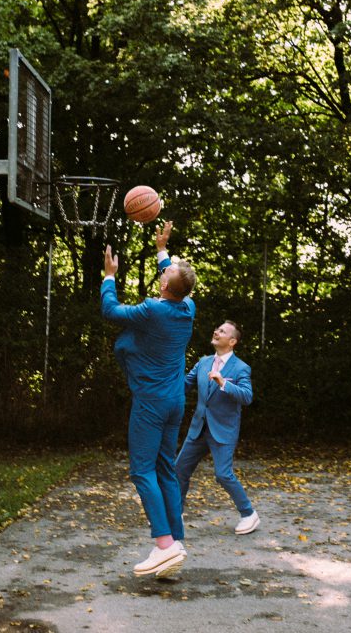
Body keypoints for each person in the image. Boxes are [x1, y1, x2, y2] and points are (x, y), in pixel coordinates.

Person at [101, 221, 197, 578]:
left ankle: (164, 544)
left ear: (164, 286)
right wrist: (162, 251)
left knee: (142, 471)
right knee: (165, 471)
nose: (166, 269)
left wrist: (109, 276)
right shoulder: (188, 309)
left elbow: (111, 312)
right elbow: (174, 280)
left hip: (152, 403)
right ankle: (176, 547)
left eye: (167, 270)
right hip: (174, 401)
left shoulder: (154, 310)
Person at [175, 320, 260, 535]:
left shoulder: (241, 368)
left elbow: (247, 396)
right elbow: (184, 385)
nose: (216, 331)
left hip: (223, 430)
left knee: (223, 475)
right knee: (179, 469)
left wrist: (224, 383)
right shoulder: (203, 362)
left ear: (232, 341)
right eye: (217, 328)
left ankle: (249, 514)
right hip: (198, 428)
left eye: (222, 331)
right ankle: (174, 516)